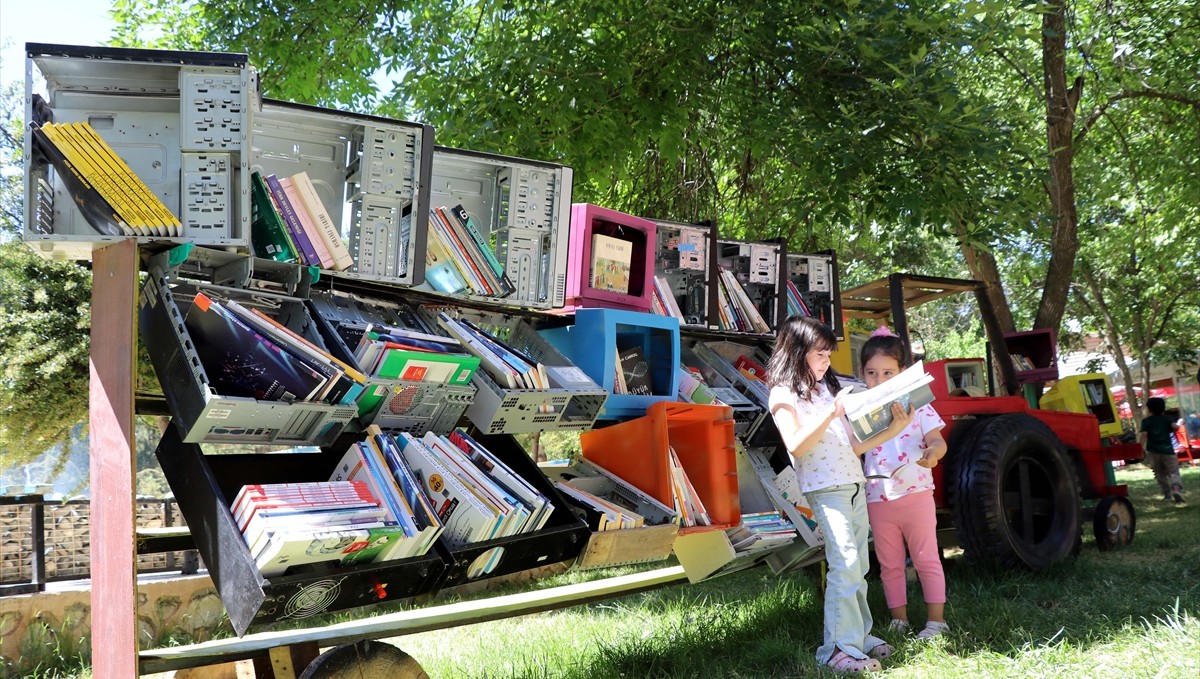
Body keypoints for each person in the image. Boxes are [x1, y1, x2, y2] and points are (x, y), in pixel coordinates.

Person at [767, 316, 912, 673]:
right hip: (824, 487)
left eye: (828, 355)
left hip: (852, 482)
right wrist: (832, 411)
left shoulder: (824, 390)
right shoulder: (783, 393)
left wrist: (896, 428)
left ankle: (858, 638)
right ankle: (835, 648)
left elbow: (854, 445)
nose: (827, 362)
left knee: (859, 564)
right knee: (845, 563)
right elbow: (797, 445)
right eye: (821, 355)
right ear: (797, 353)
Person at [858, 329, 949, 640]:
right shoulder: (860, 411)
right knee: (889, 563)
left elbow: (937, 440)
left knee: (926, 558)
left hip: (917, 495)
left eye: (888, 372)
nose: (879, 380)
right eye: (871, 373)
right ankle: (900, 620)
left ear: (902, 374)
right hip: (878, 498)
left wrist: (933, 454)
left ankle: (936, 621)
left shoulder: (918, 406)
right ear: (862, 374)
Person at [1139, 397, 1184, 503]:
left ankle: (1167, 495)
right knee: (1173, 472)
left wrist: (1140, 447)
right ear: (1163, 408)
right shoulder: (1167, 418)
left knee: (1159, 474)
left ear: (1149, 409)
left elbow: (1144, 435)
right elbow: (1175, 427)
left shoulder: (1146, 421)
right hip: (1168, 451)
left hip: (1153, 452)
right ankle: (1176, 489)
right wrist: (1177, 425)